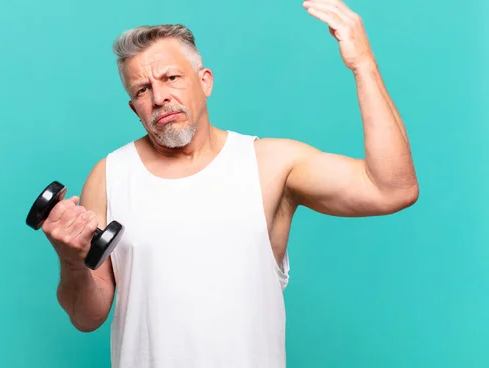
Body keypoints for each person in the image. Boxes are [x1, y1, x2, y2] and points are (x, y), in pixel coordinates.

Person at [41, 1, 419, 367]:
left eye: (171, 77)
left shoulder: (270, 164)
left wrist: (363, 65)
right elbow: (86, 317)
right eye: (142, 90)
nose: (160, 98)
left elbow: (392, 189)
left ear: (204, 81)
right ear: (133, 107)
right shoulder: (109, 175)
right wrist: (70, 261)